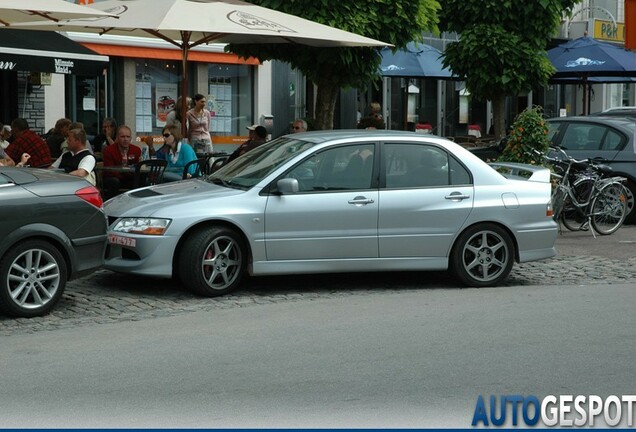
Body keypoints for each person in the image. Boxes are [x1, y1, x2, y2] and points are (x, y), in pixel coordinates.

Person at [101, 125, 142, 199]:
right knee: (114, 181)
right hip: (112, 178)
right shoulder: (109, 150)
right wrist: (126, 174)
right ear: (117, 138)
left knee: (142, 180)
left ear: (131, 138)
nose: (125, 139)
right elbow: (109, 170)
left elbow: (138, 166)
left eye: (128, 137)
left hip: (129, 178)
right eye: (122, 137)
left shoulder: (136, 150)